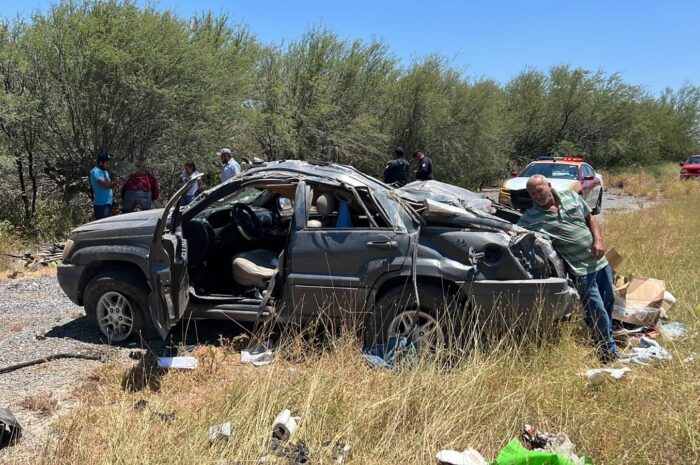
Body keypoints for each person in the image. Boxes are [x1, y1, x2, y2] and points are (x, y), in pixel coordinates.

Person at [518, 175, 618, 362]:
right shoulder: (530, 218)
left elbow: (590, 220)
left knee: (609, 302)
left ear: (549, 186)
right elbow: (513, 234)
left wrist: (598, 240)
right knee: (597, 310)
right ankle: (608, 352)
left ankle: (605, 339)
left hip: (600, 262)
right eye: (532, 194)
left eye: (539, 190)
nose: (537, 196)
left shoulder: (571, 197)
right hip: (580, 270)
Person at [90, 151, 116, 220]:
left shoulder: (105, 171)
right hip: (101, 204)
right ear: (100, 162)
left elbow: (109, 186)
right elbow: (105, 185)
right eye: (106, 163)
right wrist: (112, 184)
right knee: (102, 227)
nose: (108, 165)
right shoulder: (96, 171)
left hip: (108, 203)